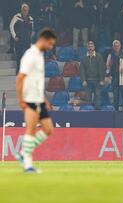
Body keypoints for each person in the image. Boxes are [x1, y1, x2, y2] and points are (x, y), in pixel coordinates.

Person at [15, 28, 57, 173]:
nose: (51, 47)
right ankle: (27, 165)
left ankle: (22, 153)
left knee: (48, 129)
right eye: (50, 44)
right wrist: (21, 100)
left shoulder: (39, 55)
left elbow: (36, 80)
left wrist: (44, 98)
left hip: (38, 99)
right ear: (44, 40)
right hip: (30, 99)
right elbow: (20, 78)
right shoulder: (30, 55)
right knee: (31, 129)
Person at [9, 3, 34, 74]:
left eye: (27, 10)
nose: (25, 11)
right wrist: (14, 36)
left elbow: (32, 28)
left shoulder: (31, 19)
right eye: (24, 10)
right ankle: (18, 71)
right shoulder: (17, 16)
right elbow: (11, 26)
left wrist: (31, 34)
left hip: (27, 40)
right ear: (21, 10)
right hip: (19, 40)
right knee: (19, 56)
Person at [80, 41, 105, 110]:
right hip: (87, 81)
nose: (90, 48)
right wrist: (83, 80)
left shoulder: (99, 56)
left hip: (97, 80)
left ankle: (97, 113)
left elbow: (101, 69)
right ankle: (89, 112)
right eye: (89, 46)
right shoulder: (83, 58)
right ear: (87, 47)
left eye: (92, 46)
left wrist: (102, 80)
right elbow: (82, 70)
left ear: (94, 47)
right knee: (88, 97)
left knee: (97, 96)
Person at [105, 40, 123, 111]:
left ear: (120, 46)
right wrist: (108, 74)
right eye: (115, 46)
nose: (116, 47)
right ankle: (116, 110)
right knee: (115, 95)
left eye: (118, 46)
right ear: (113, 47)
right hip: (114, 77)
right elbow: (108, 65)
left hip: (122, 77)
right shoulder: (110, 55)